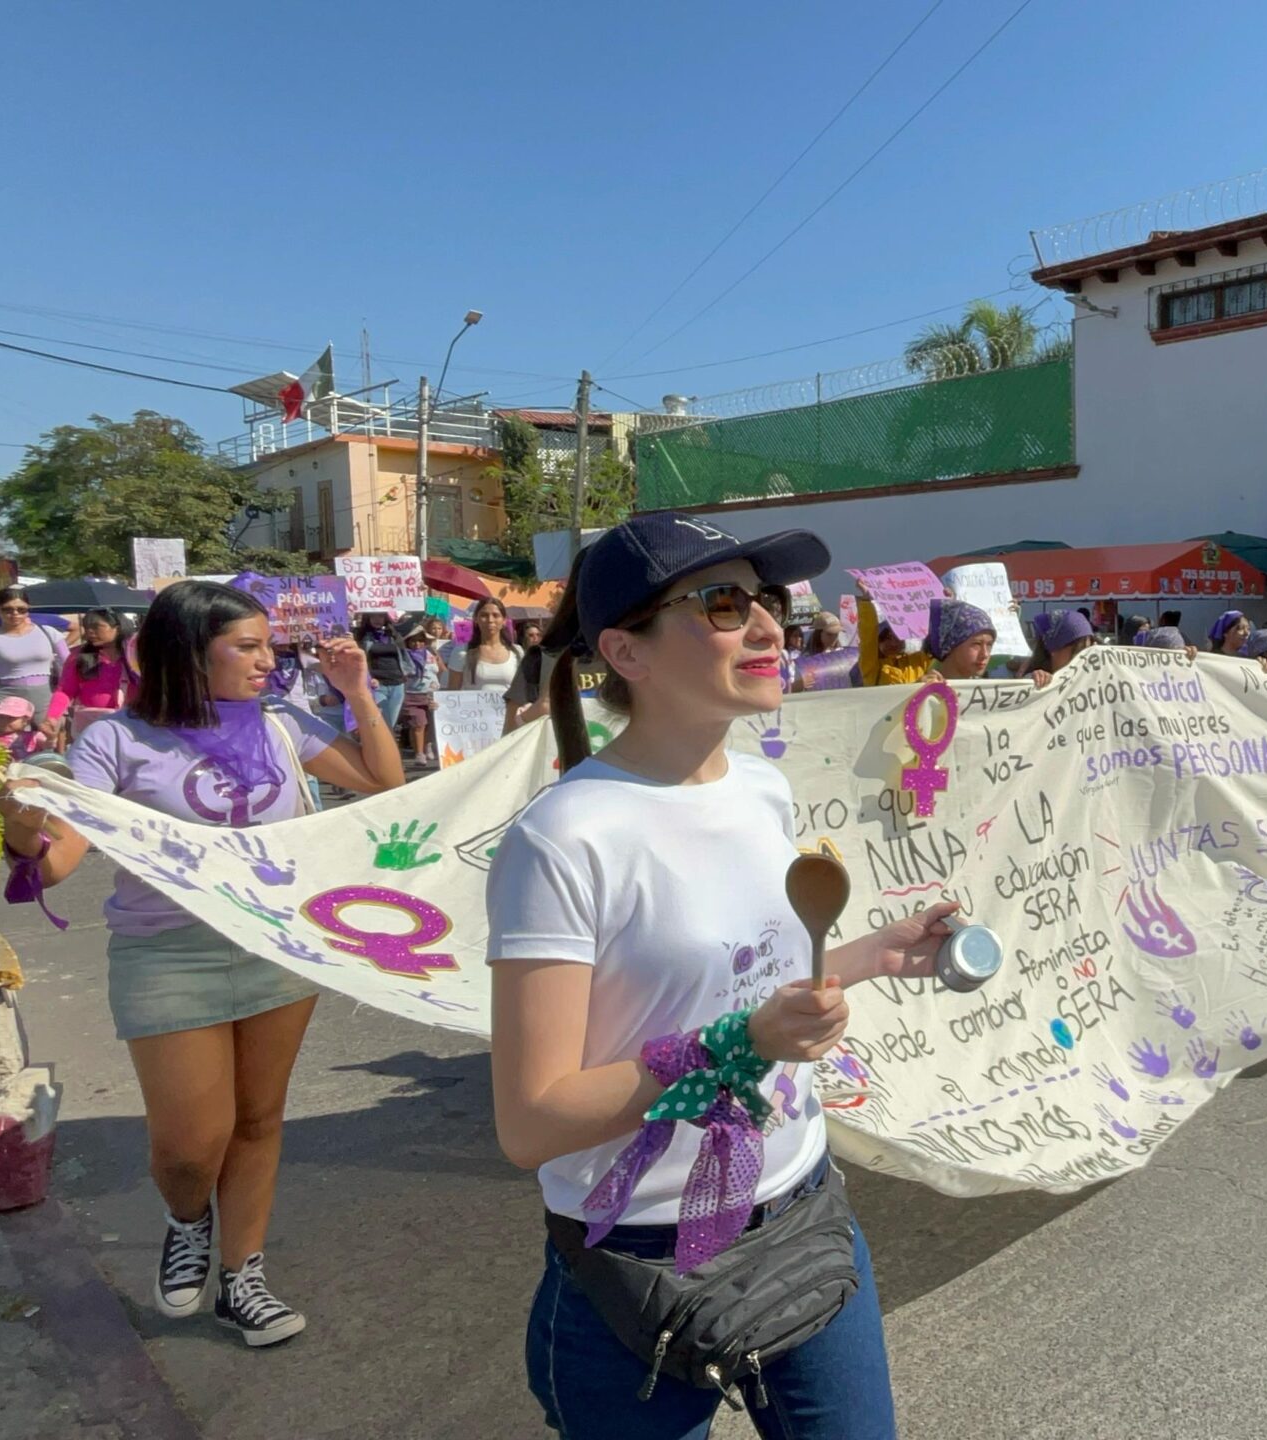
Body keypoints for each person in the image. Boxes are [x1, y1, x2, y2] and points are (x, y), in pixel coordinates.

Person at [487, 514, 956, 1435]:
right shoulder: (562, 839)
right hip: (636, 1271)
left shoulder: (761, 788)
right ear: (625, 650)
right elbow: (531, 1121)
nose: (772, 629)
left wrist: (873, 955)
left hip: (804, 1210)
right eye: (726, 604)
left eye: (768, 601)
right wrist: (742, 1043)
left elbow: (756, 986)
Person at [0, 580, 403, 1347]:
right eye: (246, 646)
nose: (265, 660)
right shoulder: (115, 741)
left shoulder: (282, 720)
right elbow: (52, 866)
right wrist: (22, 827)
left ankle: (242, 1277)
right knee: (190, 1145)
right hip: (166, 954)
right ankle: (189, 1219)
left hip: (278, 944)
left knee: (257, 1120)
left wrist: (358, 695)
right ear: (188, 652)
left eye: (266, 644)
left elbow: (385, 784)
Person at [0, 588, 70, 716]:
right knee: (4, 736)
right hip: (6, 699)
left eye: (21, 609)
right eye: (7, 609)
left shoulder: (48, 632)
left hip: (45, 696)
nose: (15, 613)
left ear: (28, 609)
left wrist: (64, 697)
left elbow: (69, 668)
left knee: (47, 735)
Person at [49, 608, 135, 747]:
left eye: (96, 626)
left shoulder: (134, 655)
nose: (89, 631)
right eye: (86, 627)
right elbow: (65, 690)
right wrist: (52, 717)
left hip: (130, 726)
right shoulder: (78, 656)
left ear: (117, 628)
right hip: (91, 727)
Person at [452, 598, 522, 712]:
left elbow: (522, 691)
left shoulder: (517, 652)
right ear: (476, 620)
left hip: (508, 721)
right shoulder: (462, 652)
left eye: (496, 615)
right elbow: (452, 693)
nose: (490, 620)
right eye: (484, 615)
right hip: (472, 722)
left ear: (504, 620)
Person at [352, 613, 408, 735]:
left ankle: (387, 751)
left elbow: (404, 655)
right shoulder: (362, 636)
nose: (378, 619)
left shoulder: (393, 635)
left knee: (391, 725)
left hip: (397, 684)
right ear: (368, 618)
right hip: (377, 685)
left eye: (381, 616)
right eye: (374, 616)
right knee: (384, 723)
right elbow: (358, 660)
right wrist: (368, 678)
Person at [400, 621, 440, 767]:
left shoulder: (430, 654)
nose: (417, 644)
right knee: (418, 724)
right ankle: (419, 753)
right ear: (408, 642)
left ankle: (427, 745)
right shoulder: (404, 656)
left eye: (420, 641)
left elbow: (440, 669)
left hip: (431, 694)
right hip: (412, 694)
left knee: (430, 724)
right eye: (413, 641)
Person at [1029, 610, 1096, 686]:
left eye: (1089, 651)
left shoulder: (1091, 680)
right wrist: (1035, 681)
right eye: (1078, 650)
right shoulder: (1035, 682)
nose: (1084, 658)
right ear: (1054, 649)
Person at [0, 696, 50, 761]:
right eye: (1, 717)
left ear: (26, 720)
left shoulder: (34, 737)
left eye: (10, 717)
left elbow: (49, 745)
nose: (4, 721)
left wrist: (51, 737)